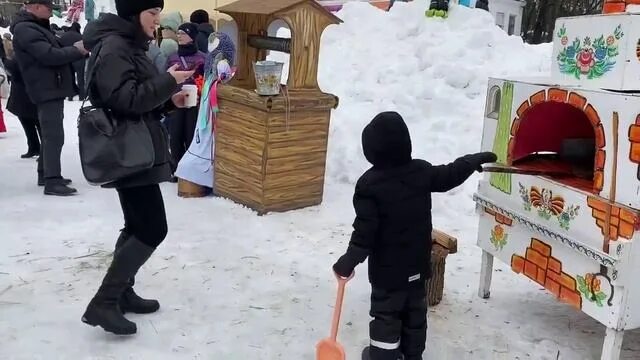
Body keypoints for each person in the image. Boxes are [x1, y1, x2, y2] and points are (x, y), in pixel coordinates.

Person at [332, 112, 497, 360]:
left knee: (386, 316)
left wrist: (349, 260)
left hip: (388, 274)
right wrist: (471, 161)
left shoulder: (368, 186)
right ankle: (412, 355)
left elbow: (364, 233)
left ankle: (384, 356)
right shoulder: (420, 171)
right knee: (415, 315)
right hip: (418, 267)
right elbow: (449, 174)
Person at [80, 0, 194, 335]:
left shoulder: (128, 44)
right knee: (152, 228)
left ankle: (122, 294)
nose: (157, 19)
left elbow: (137, 99)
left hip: (136, 147)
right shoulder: (116, 46)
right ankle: (104, 302)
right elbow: (125, 100)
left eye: (158, 12)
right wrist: (168, 82)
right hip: (129, 150)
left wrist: (168, 100)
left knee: (135, 225)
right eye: (151, 13)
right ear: (133, 15)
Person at [11, 0, 88, 196]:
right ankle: (52, 180)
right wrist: (77, 50)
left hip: (49, 86)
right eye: (48, 8)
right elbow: (49, 55)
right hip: (45, 87)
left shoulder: (34, 27)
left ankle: (45, 173)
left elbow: (52, 48)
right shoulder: (26, 29)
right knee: (53, 135)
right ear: (36, 7)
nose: (51, 11)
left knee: (50, 134)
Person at [165, 22, 206, 179]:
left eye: (183, 33)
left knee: (190, 136)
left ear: (192, 36)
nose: (179, 35)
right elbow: (165, 78)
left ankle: (189, 171)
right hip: (176, 102)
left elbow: (209, 81)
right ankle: (177, 169)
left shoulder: (203, 58)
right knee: (175, 137)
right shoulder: (172, 57)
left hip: (195, 103)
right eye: (179, 33)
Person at [5, 56, 41, 159]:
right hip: (21, 93)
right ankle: (34, 147)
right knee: (27, 122)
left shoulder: (27, 53)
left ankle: (41, 150)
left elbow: (13, 68)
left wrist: (6, 61)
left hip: (30, 92)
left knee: (37, 122)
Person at [59, 22, 87, 100]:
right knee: (80, 77)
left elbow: (59, 47)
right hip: (79, 59)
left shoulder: (63, 36)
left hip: (67, 59)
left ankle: (70, 96)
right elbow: (85, 47)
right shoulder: (80, 36)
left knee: (70, 77)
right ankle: (82, 96)